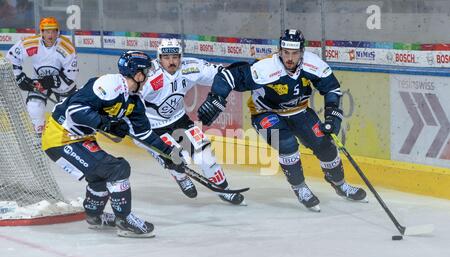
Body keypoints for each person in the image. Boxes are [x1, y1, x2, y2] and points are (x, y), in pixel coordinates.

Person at [197, 29, 367, 212]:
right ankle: (300, 188)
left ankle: (339, 184)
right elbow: (229, 76)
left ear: (302, 52)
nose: (290, 58)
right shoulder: (265, 67)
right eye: (286, 53)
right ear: (280, 51)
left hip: (299, 110)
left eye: (294, 53)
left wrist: (333, 115)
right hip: (265, 113)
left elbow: (332, 88)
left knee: (325, 144)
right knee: (287, 144)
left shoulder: (313, 63)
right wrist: (217, 97)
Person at [41, 51, 185, 237]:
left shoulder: (134, 100)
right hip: (59, 138)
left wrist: (168, 154)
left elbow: (145, 134)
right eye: (147, 72)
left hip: (80, 138)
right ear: (138, 74)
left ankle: (95, 217)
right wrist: (107, 124)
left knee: (100, 175)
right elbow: (74, 112)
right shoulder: (108, 84)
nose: (148, 76)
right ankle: (124, 220)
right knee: (117, 168)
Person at [139, 38, 244, 205]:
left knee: (206, 157)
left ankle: (224, 189)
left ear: (181, 56)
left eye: (175, 57)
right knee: (177, 159)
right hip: (153, 127)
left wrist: (240, 77)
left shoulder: (191, 67)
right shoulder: (147, 76)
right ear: (159, 58)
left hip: (179, 120)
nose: (171, 62)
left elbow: (222, 75)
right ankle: (179, 175)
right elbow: (129, 105)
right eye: (166, 58)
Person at [6, 16, 78, 135]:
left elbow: (71, 76)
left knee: (71, 112)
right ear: (42, 32)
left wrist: (51, 81)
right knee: (34, 107)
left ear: (57, 32)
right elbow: (12, 57)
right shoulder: (32, 43)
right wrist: (19, 77)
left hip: (62, 83)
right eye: (47, 31)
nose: (50, 36)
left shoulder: (66, 47)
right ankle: (39, 137)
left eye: (53, 31)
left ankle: (68, 137)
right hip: (39, 80)